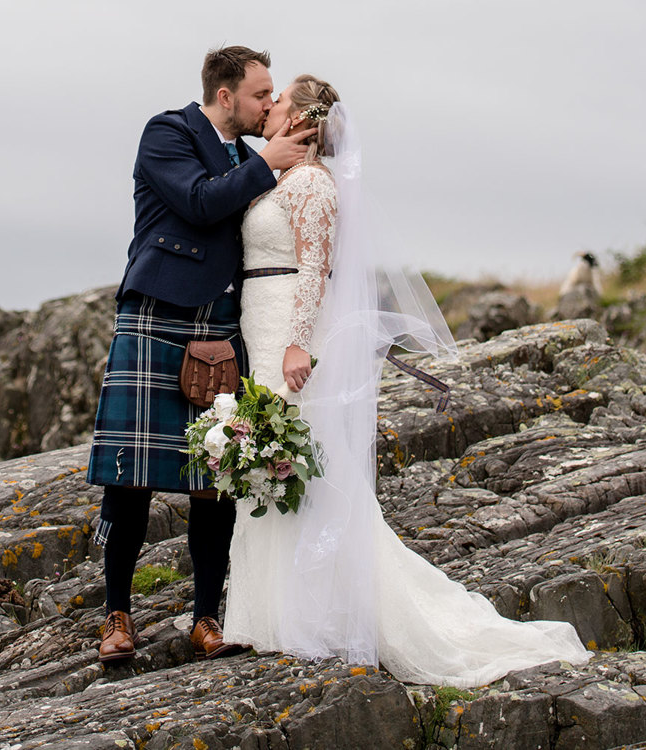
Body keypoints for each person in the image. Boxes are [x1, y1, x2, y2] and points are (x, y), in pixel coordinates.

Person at [223, 75, 592, 687]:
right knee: (274, 460)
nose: (269, 106)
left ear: (302, 118)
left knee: (306, 464)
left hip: (288, 331)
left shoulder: (313, 183)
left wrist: (296, 343)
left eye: (279, 99)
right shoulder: (278, 175)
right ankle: (271, 612)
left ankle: (331, 611)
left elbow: (315, 268)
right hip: (258, 325)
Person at [87, 46, 317, 664]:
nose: (268, 104)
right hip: (156, 315)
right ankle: (117, 617)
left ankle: (206, 617)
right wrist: (267, 162)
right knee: (130, 479)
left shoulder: (248, 156)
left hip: (221, 324)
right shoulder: (167, 133)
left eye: (272, 95)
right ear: (225, 96)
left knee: (216, 478)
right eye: (260, 95)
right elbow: (198, 201)